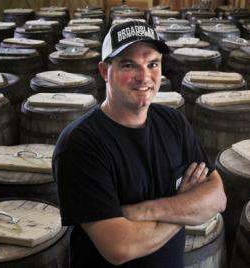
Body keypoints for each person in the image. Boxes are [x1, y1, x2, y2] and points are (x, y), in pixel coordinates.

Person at [52, 20, 226, 268]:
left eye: (152, 64)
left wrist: (143, 211)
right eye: (128, 65)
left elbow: (217, 197)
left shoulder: (173, 123)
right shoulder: (80, 144)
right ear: (104, 71)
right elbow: (121, 247)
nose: (144, 76)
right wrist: (186, 206)